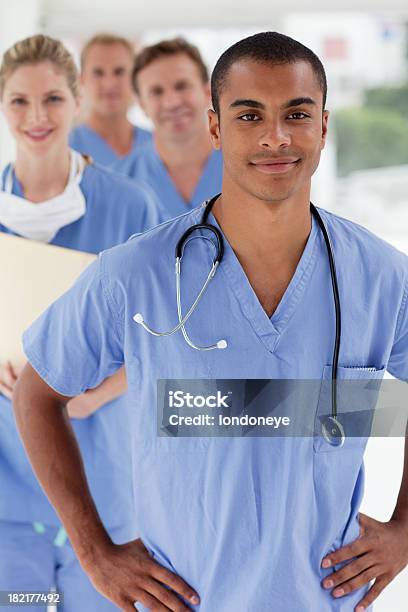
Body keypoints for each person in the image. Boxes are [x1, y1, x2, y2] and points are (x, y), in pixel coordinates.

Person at [14, 32, 408, 612]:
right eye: (250, 115)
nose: (276, 136)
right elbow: (35, 394)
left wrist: (402, 531)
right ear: (216, 128)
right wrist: (96, 553)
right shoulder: (135, 273)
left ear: (324, 127)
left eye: (296, 114)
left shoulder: (380, 276)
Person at [0, 34, 159, 612]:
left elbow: (161, 339)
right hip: (8, 494)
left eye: (52, 99)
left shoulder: (131, 207)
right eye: (19, 101)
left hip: (106, 481)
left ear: (77, 100)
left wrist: (99, 392)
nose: (36, 116)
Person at [121, 37, 223, 222]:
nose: (172, 102)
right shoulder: (120, 182)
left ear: (208, 92)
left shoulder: (248, 167)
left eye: (182, 86)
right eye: (157, 92)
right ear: (142, 105)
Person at [70, 33, 152, 168]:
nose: (109, 84)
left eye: (119, 72)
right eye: (98, 73)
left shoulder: (158, 145)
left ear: (135, 78)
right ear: (81, 80)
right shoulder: (66, 149)